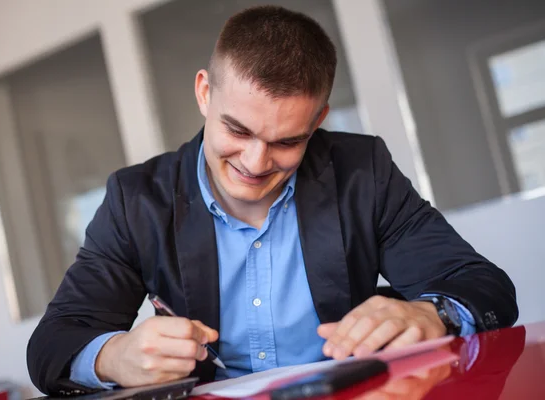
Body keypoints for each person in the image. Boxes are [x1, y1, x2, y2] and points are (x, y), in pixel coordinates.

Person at [27, 5, 517, 395]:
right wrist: (116, 357)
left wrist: (434, 314)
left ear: (319, 119)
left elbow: (484, 286)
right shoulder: (135, 200)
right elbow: (51, 345)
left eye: (287, 141)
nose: (256, 162)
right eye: (236, 130)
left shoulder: (360, 170)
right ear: (204, 94)